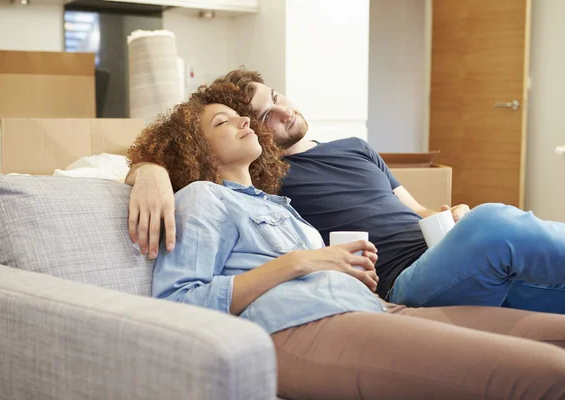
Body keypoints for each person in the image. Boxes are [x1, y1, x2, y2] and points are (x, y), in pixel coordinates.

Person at [127, 82, 565, 399]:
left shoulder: (280, 205)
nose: (247, 120)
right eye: (226, 120)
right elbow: (176, 306)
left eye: (264, 104)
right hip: (310, 322)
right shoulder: (204, 197)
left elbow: (416, 211)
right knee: (548, 372)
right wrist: (149, 170)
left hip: (378, 305)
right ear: (194, 149)